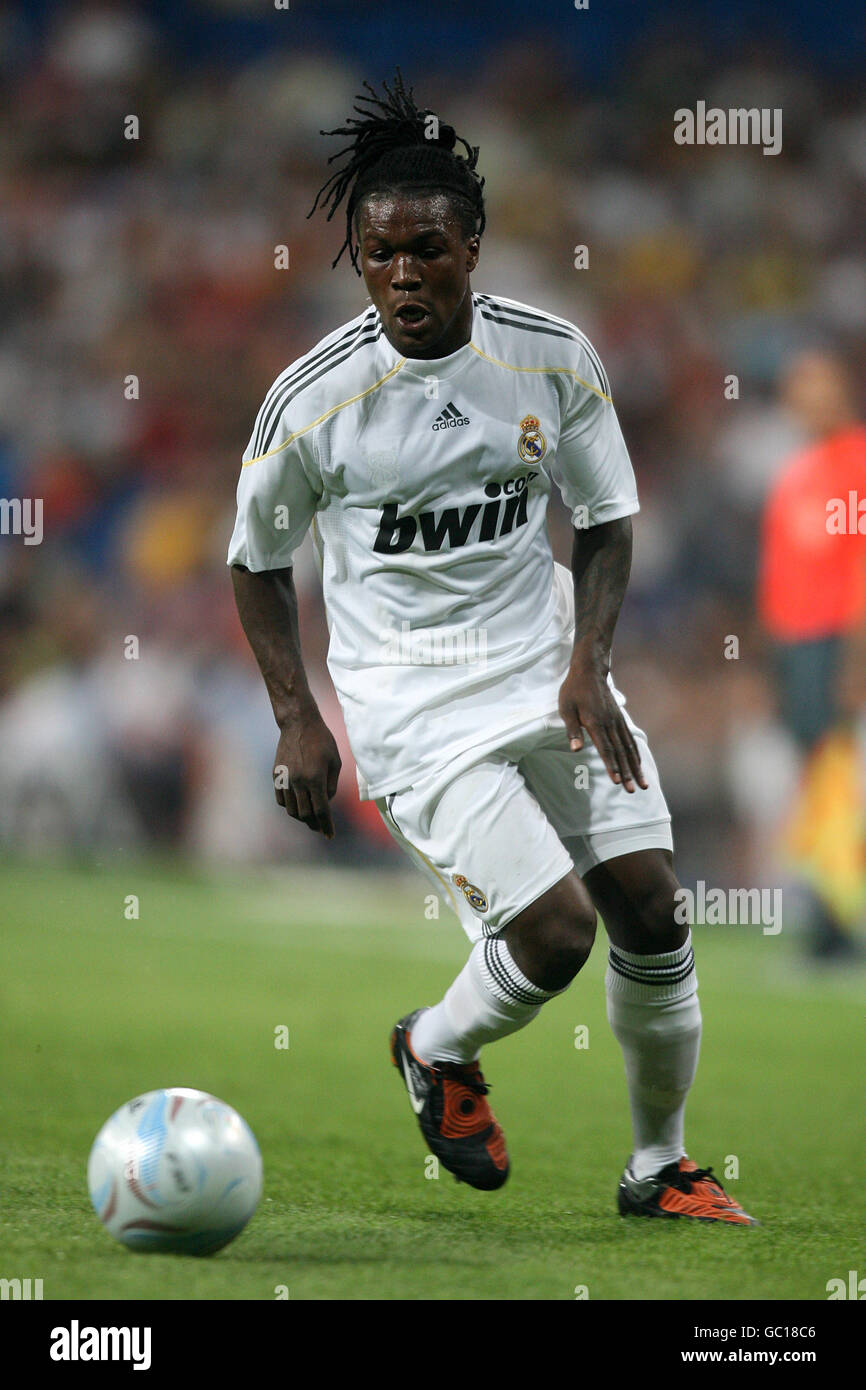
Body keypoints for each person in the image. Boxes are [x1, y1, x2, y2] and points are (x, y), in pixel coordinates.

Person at [228, 72, 755, 1223]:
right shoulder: (313, 402)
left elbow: (607, 517)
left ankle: (657, 1164)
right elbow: (254, 563)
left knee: (655, 913)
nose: (402, 276)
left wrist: (588, 665)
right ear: (356, 260)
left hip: (546, 673)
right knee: (556, 930)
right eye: (377, 257)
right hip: (415, 713)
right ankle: (433, 1047)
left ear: (473, 241)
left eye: (425, 249)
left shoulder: (551, 360)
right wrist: (297, 718)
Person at [759, 350, 866, 958]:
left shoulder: (856, 460)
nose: (805, 400)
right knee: (815, 778)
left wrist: (855, 661)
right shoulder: (797, 470)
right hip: (795, 645)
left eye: (816, 386)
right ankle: (826, 915)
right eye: (797, 389)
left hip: (834, 642)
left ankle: (834, 921)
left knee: (835, 778)